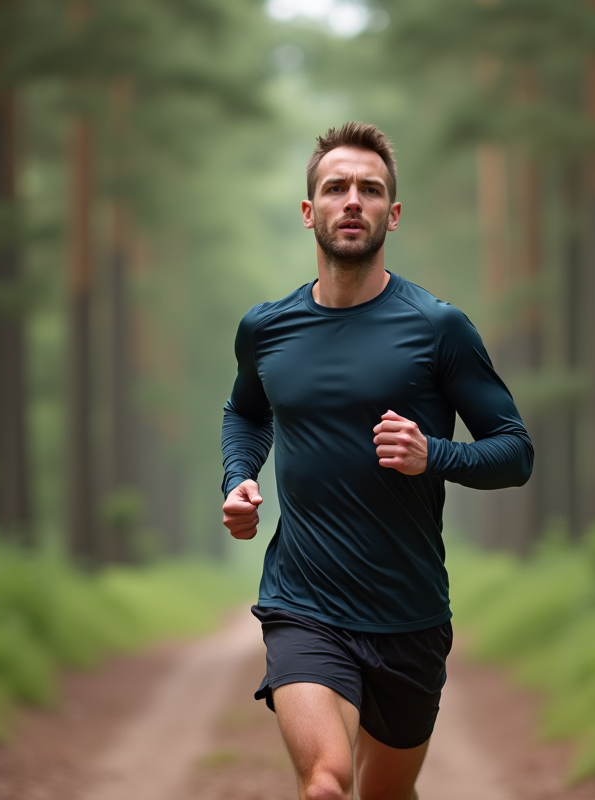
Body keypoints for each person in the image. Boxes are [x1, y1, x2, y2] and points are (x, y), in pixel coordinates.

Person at [220, 121, 533, 800]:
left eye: (370, 188)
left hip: (409, 615)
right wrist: (239, 477)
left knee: (385, 794)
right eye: (336, 188)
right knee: (327, 784)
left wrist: (434, 454)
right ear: (310, 213)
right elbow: (246, 411)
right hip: (302, 603)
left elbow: (515, 452)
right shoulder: (266, 329)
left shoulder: (437, 327)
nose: (352, 200)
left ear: (392, 213)